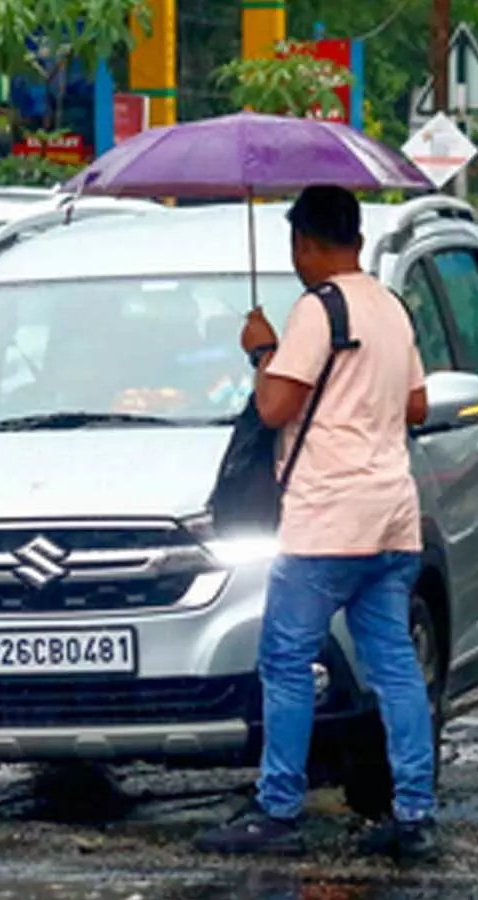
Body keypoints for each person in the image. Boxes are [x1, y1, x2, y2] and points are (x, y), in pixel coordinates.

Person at [196, 186, 437, 861]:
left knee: (284, 657)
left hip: (329, 519)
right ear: (355, 236)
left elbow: (274, 407)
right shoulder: (390, 307)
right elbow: (416, 404)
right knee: (394, 665)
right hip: (392, 516)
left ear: (305, 241)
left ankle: (278, 808)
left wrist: (260, 351)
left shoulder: (317, 308)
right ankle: (416, 811)